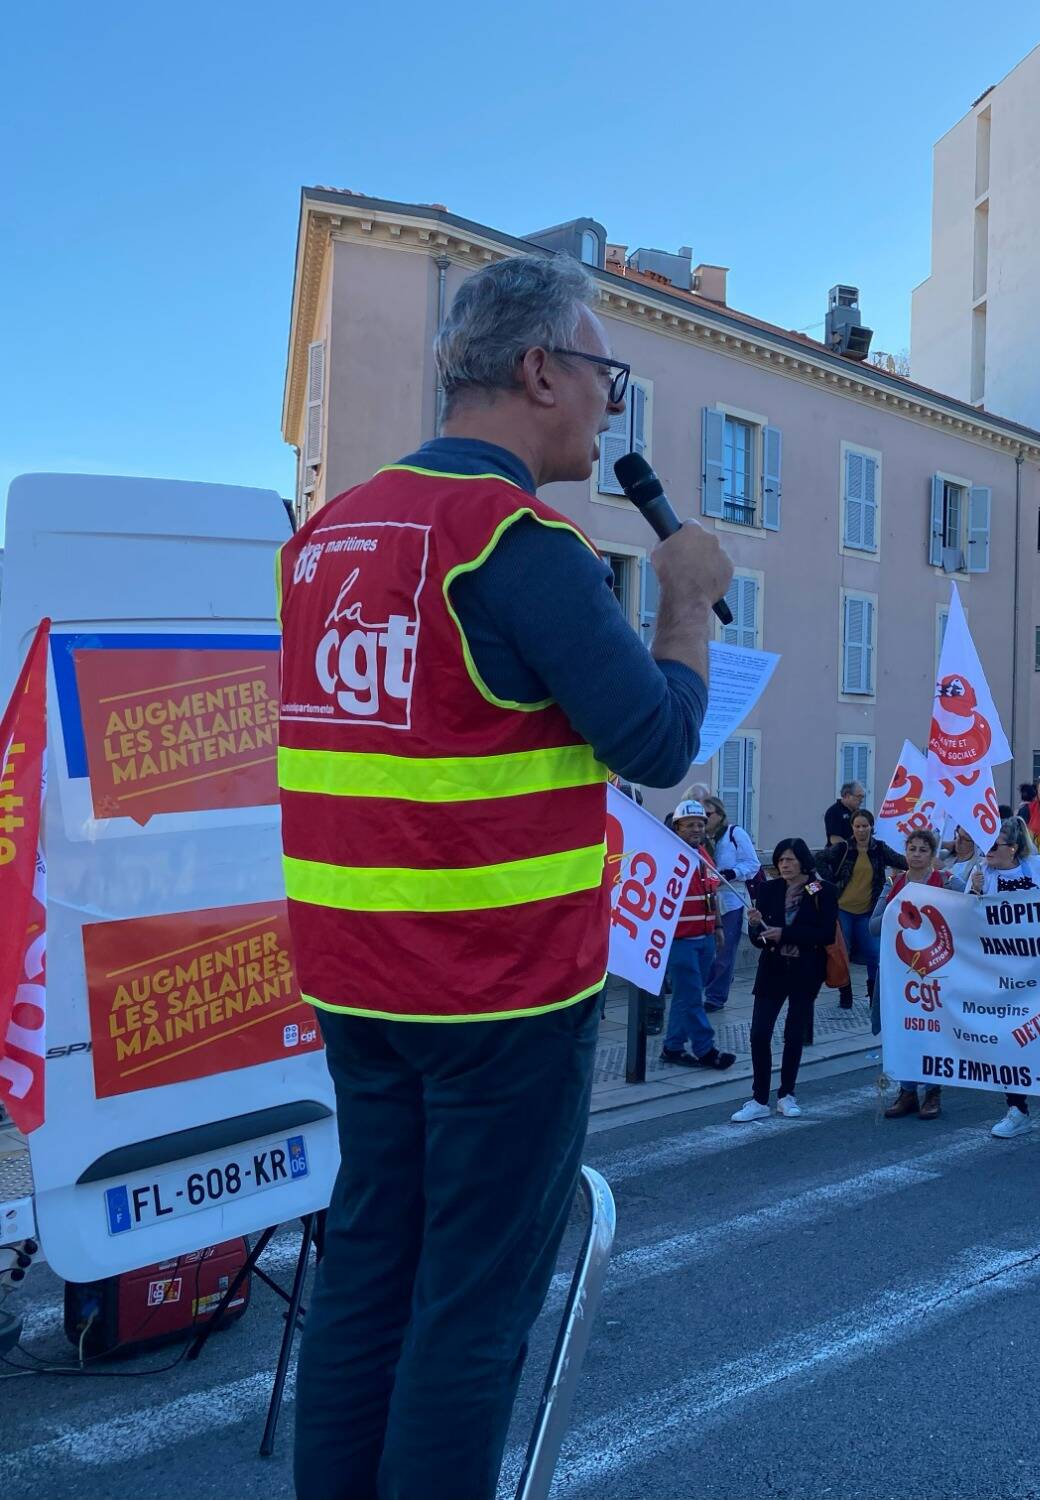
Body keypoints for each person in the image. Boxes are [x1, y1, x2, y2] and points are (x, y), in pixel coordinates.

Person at [281, 251, 728, 1500]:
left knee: (367, 1279)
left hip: (356, 982)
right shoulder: (514, 538)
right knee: (471, 1314)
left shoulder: (328, 534)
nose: (606, 407)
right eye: (603, 376)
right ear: (540, 370)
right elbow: (653, 737)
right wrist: (683, 601)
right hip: (496, 995)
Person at [978, 818, 1040, 1147]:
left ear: (1014, 848)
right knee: (1010, 1042)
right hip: (1003, 972)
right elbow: (966, 920)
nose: (987, 851)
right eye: (985, 845)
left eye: (994, 845)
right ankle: (1017, 1110)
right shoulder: (982, 874)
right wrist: (975, 890)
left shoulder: (1038, 868)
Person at [734, 838, 839, 1122]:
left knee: (794, 1034)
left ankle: (786, 1094)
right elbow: (759, 939)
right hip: (772, 968)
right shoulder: (768, 889)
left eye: (790, 859)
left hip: (806, 969)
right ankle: (758, 1097)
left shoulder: (822, 891)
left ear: (803, 861)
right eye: (780, 860)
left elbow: (825, 933)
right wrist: (755, 926)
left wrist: (786, 934)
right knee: (758, 1034)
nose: (784, 865)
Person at [877, 828, 959, 1120]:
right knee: (905, 1029)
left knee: (933, 1030)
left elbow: (971, 909)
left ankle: (933, 1092)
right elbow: (874, 926)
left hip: (937, 971)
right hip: (902, 974)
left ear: (932, 854)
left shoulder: (948, 881)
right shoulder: (893, 884)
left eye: (923, 850)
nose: (916, 855)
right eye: (912, 849)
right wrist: (893, 909)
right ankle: (907, 1091)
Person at [657, 801, 738, 1071]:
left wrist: (717, 927)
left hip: (704, 937)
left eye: (701, 824)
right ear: (677, 827)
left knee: (686, 995)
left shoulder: (703, 853)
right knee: (692, 997)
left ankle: (673, 1047)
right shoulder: (669, 854)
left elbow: (711, 893)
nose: (696, 828)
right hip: (680, 939)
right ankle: (706, 1049)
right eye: (689, 824)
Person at [817, 808, 907, 1021]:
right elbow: (818, 858)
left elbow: (903, 862)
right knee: (843, 953)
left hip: (868, 910)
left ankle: (873, 996)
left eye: (865, 826)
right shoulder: (843, 848)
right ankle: (845, 994)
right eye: (857, 826)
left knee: (874, 953)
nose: (861, 830)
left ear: (871, 828)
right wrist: (831, 880)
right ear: (852, 828)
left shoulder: (879, 849)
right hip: (843, 909)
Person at [701, 794, 761, 1013]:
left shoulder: (734, 834)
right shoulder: (697, 838)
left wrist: (732, 872)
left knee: (725, 950)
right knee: (706, 950)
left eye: (708, 814)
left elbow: (752, 864)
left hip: (729, 898)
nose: (704, 819)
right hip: (704, 900)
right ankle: (715, 983)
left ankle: (716, 997)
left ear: (720, 814)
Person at [824, 780, 866, 847]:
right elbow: (834, 839)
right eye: (859, 796)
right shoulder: (834, 812)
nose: (861, 801)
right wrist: (851, 847)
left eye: (863, 797)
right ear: (847, 795)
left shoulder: (859, 813)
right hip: (840, 854)